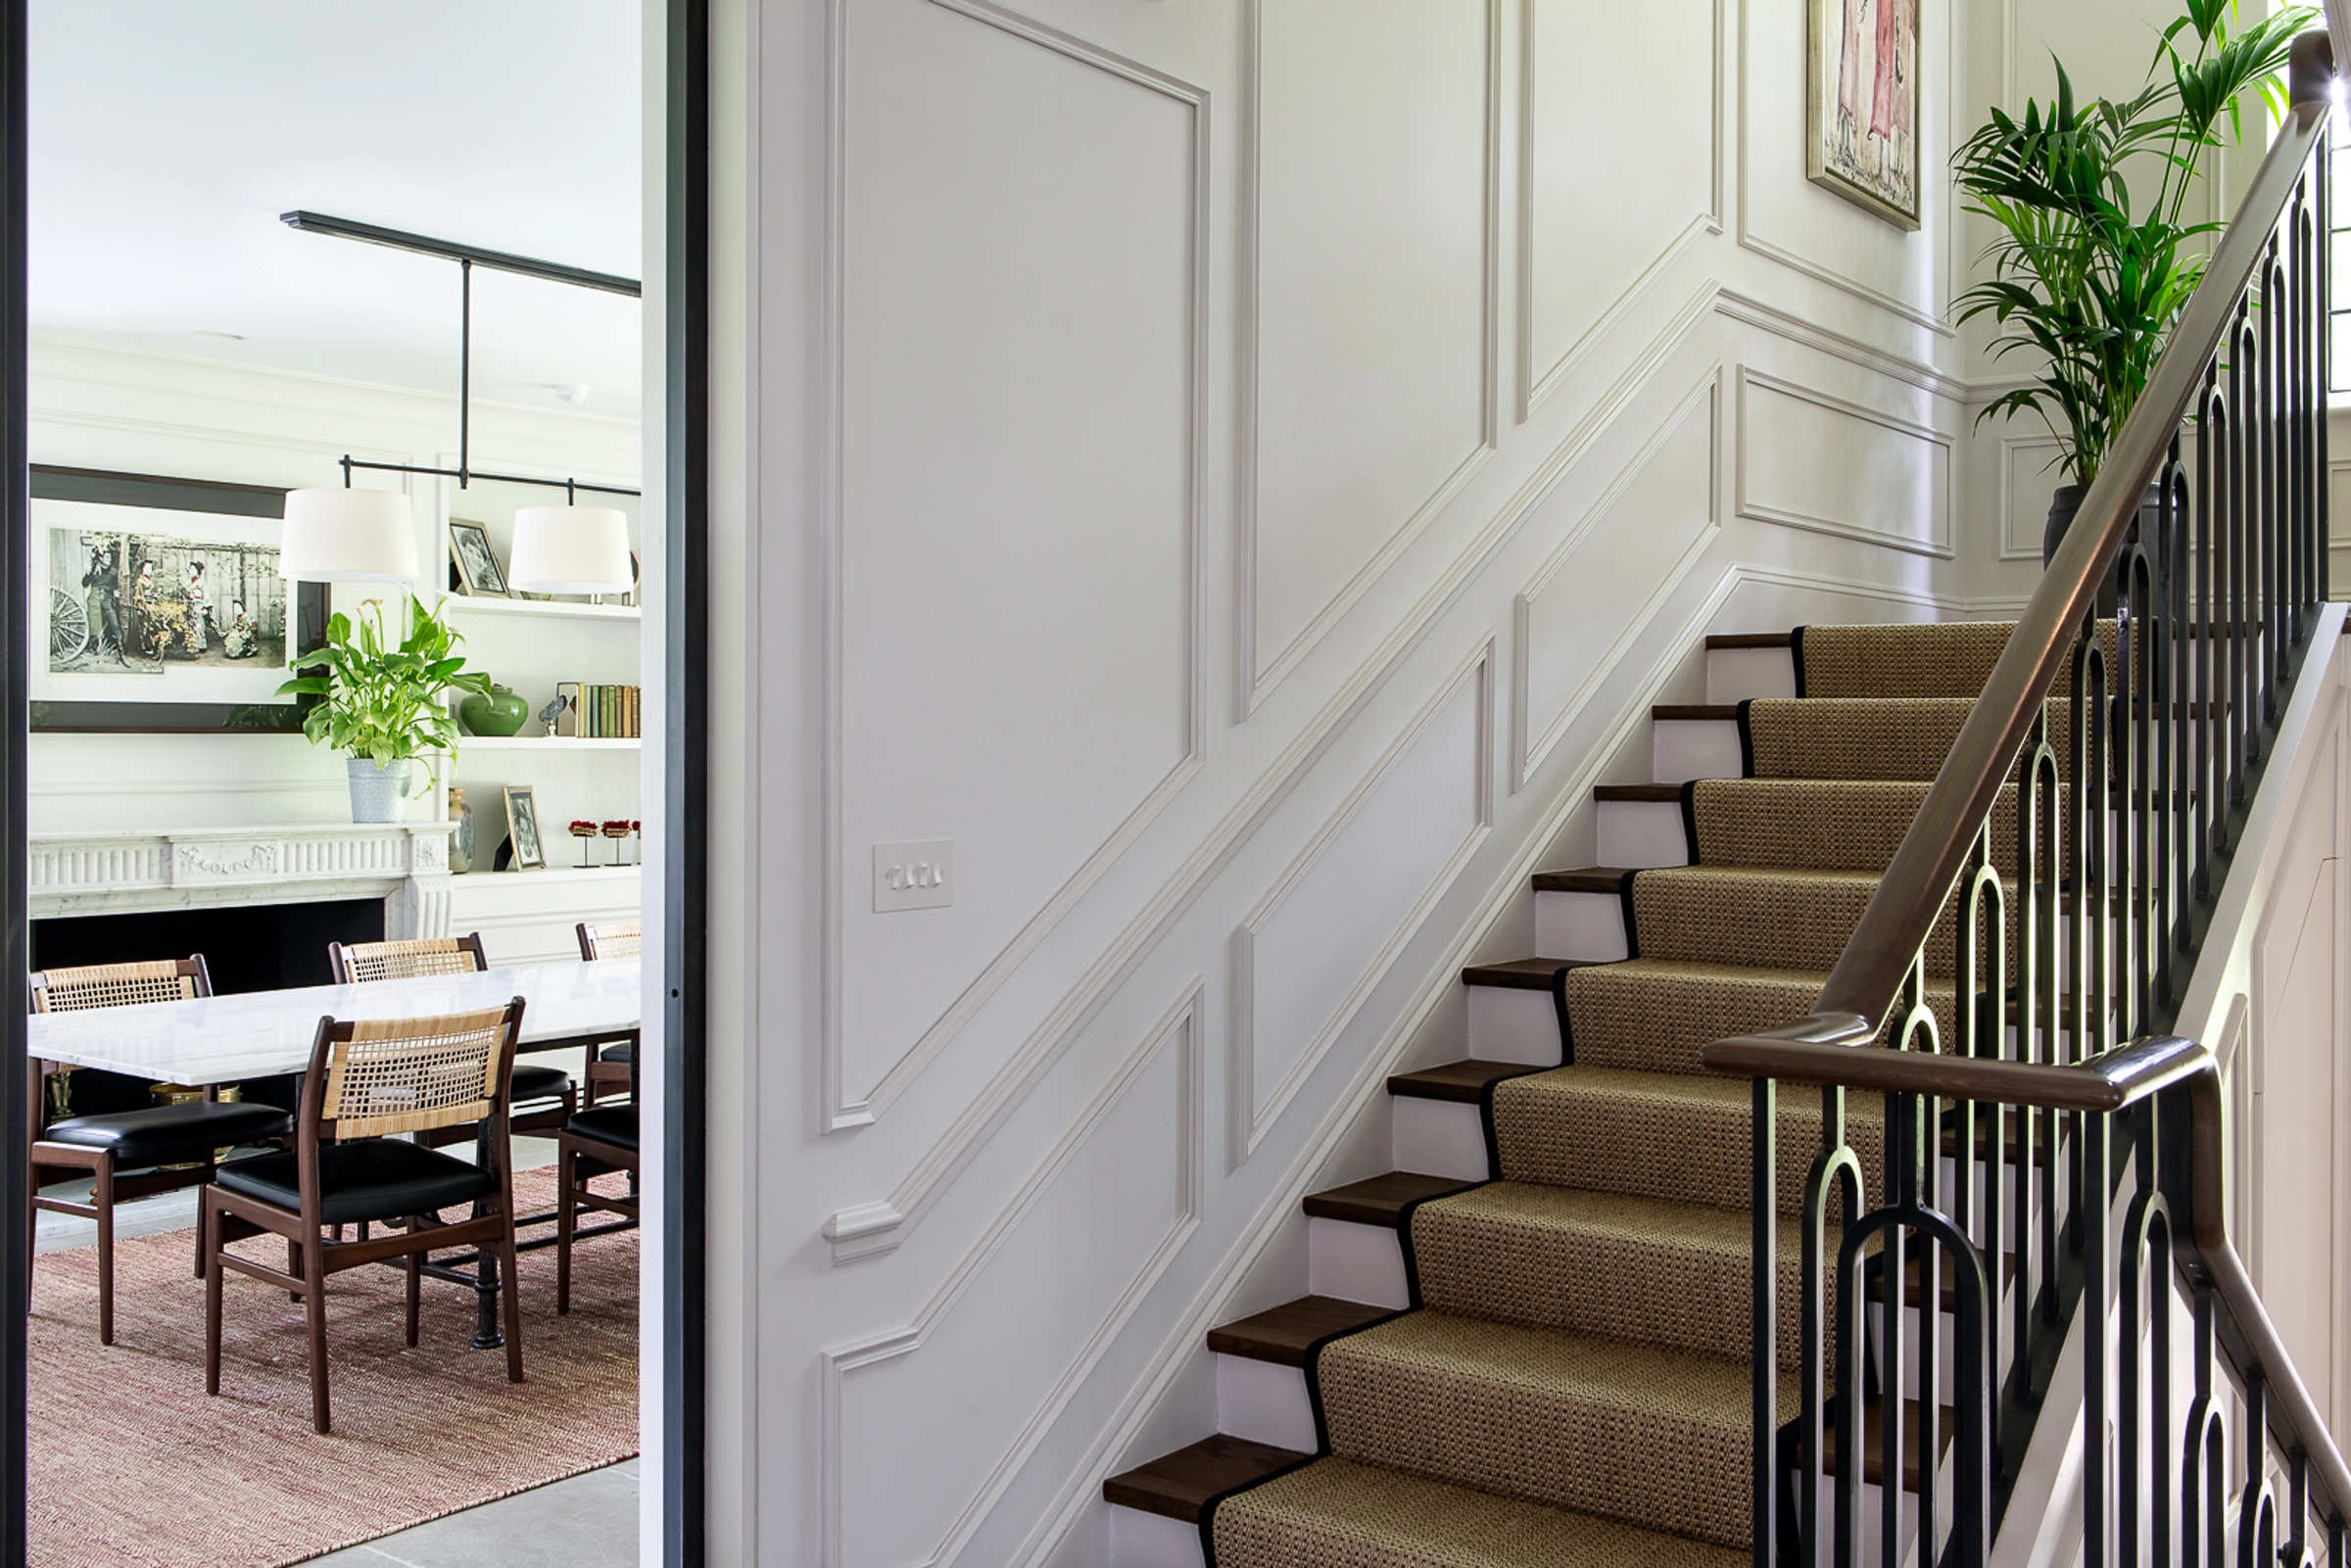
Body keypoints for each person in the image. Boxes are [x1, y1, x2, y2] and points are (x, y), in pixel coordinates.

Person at [79, 545, 122, 665]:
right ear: (101, 558)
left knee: (114, 623)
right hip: (95, 598)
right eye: (107, 557)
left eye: (110, 558)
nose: (109, 560)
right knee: (96, 625)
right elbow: (85, 584)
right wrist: (88, 574)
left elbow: (116, 586)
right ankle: (96, 649)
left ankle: (120, 651)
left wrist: (115, 592)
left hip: (107, 599)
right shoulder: (94, 569)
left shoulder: (114, 572)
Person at [183, 560, 211, 653]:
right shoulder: (187, 582)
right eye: (190, 570)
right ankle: (191, 644)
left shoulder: (202, 583)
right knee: (190, 625)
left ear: (198, 571)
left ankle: (201, 644)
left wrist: (206, 608)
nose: (191, 572)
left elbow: (206, 596)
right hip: (189, 605)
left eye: (194, 570)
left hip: (199, 605)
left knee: (199, 625)